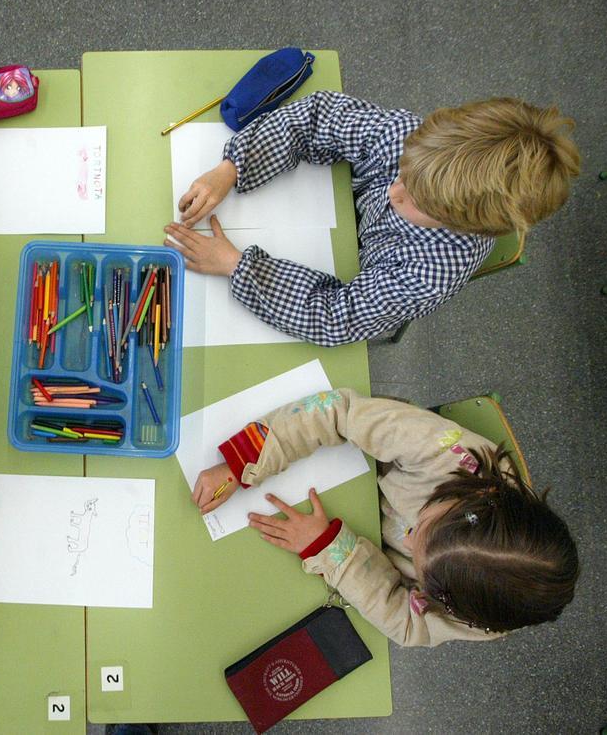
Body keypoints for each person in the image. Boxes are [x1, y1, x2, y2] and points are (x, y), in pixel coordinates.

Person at [164, 92, 581, 345]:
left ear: (466, 225)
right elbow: (318, 117)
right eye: (403, 173)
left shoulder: (432, 273)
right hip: (328, 212)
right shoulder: (414, 140)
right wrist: (233, 168)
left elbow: (336, 317)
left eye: (417, 203)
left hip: (350, 261)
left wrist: (237, 266)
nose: (392, 191)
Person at [191, 388, 579, 647]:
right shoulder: (447, 455)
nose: (408, 541)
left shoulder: (480, 615)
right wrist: (242, 462)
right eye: (423, 525)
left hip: (338, 530)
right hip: (350, 469)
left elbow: (407, 623)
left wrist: (329, 548)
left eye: (420, 566)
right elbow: (339, 411)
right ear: (480, 495)